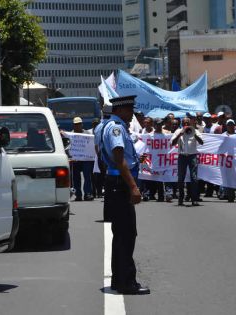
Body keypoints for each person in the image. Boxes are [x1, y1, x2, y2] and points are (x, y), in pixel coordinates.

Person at [100, 95, 150, 294]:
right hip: (120, 185)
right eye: (130, 111)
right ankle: (126, 283)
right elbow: (120, 160)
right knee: (126, 235)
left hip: (118, 185)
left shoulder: (117, 126)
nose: (132, 115)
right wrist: (133, 187)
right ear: (120, 110)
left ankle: (119, 280)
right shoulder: (116, 128)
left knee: (122, 235)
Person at [171, 117, 204, 206]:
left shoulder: (195, 131)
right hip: (182, 156)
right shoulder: (178, 131)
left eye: (187, 123)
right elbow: (172, 143)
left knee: (194, 178)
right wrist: (179, 135)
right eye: (184, 123)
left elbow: (201, 142)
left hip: (192, 156)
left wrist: (194, 135)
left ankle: (194, 199)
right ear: (182, 124)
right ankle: (181, 198)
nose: (186, 125)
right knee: (181, 178)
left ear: (190, 124)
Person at [70, 117, 94, 201]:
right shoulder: (71, 135)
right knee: (76, 178)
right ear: (73, 125)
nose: (78, 126)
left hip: (86, 159)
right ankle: (78, 195)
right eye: (76, 124)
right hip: (76, 160)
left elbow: (91, 145)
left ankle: (87, 194)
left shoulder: (87, 134)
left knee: (87, 176)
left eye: (79, 124)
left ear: (82, 124)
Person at [91, 118, 104, 199]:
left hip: (99, 156)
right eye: (94, 124)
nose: (95, 125)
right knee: (92, 177)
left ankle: (99, 192)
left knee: (99, 176)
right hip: (90, 158)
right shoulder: (88, 132)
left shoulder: (101, 131)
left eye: (97, 124)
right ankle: (93, 192)